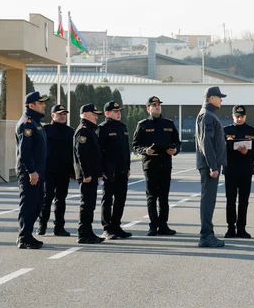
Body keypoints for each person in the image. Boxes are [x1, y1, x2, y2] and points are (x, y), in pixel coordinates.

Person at [132, 96, 181, 236]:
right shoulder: (143, 125)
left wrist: (175, 150)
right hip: (150, 164)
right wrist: (145, 150)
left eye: (159, 104)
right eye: (154, 105)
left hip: (165, 164)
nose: (157, 106)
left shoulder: (169, 124)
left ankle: (163, 225)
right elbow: (135, 145)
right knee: (152, 196)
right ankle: (153, 226)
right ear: (148, 109)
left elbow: (177, 142)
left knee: (164, 197)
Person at [223, 105, 254, 238]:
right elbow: (218, 149)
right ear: (233, 116)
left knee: (243, 200)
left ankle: (241, 228)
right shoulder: (225, 130)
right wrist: (227, 144)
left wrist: (248, 152)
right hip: (230, 170)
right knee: (230, 200)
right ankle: (230, 228)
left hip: (246, 170)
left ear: (245, 116)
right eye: (237, 116)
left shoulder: (252, 131)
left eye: (242, 116)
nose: (240, 119)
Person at [15, 91, 49, 249]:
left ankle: (28, 234)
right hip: (30, 172)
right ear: (31, 105)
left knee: (37, 203)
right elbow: (25, 151)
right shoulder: (27, 123)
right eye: (41, 103)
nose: (44, 105)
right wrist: (31, 171)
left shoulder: (36, 122)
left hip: (38, 171)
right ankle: (24, 238)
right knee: (28, 204)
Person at [195, 86, 228, 248]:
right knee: (208, 200)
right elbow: (205, 142)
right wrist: (212, 166)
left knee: (209, 199)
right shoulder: (207, 116)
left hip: (210, 165)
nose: (221, 100)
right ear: (211, 98)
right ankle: (206, 235)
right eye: (219, 97)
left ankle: (207, 234)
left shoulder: (208, 114)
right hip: (210, 166)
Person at [98, 101, 132, 240]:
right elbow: (99, 152)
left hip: (122, 170)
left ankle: (117, 227)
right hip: (108, 171)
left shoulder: (123, 127)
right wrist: (101, 171)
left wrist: (128, 168)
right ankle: (107, 228)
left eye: (119, 111)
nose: (119, 113)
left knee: (120, 200)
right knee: (107, 200)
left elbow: (126, 150)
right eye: (115, 111)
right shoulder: (103, 128)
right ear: (107, 113)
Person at [38, 104, 73, 237]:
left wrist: (73, 170)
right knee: (47, 198)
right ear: (53, 115)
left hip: (64, 171)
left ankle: (59, 227)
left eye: (64, 114)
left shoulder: (70, 131)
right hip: (48, 171)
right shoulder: (45, 129)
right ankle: (42, 225)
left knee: (61, 199)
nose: (63, 116)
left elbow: (72, 153)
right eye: (60, 114)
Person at [73, 103, 105, 244]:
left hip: (91, 174)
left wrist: (97, 173)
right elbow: (82, 155)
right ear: (85, 114)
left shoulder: (90, 130)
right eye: (94, 113)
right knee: (86, 204)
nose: (96, 116)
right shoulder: (84, 131)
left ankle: (88, 232)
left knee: (90, 204)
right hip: (87, 175)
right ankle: (83, 233)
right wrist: (86, 174)